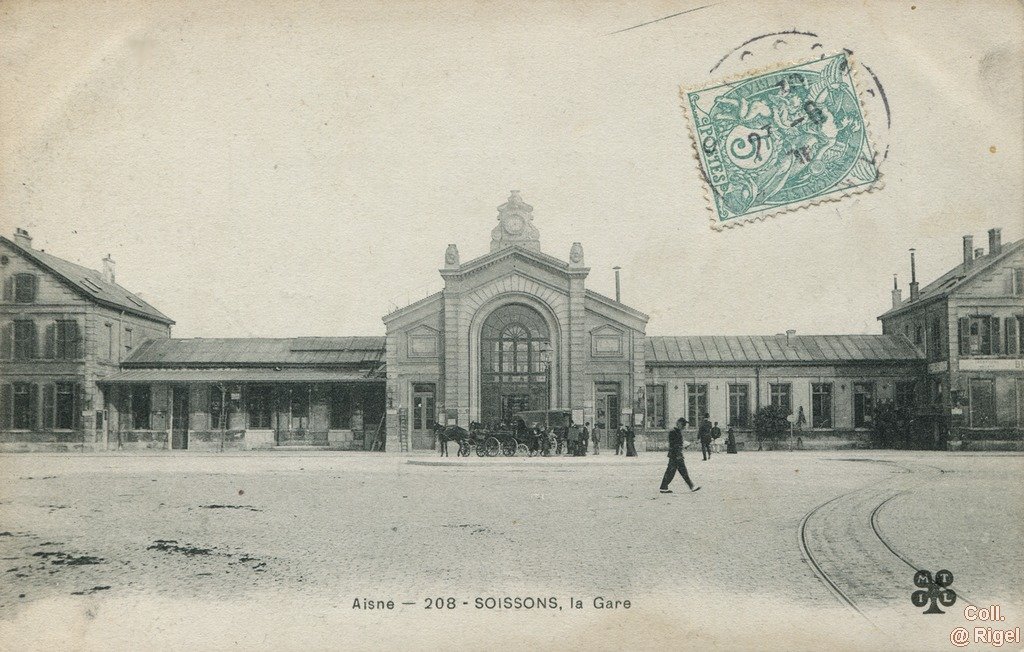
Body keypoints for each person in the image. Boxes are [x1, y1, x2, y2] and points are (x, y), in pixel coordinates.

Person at [660, 417, 700, 494]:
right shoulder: (673, 432)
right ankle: (691, 486)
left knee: (672, 472)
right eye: (683, 424)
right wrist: (681, 446)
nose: (684, 426)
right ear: (678, 423)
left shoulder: (677, 432)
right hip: (676, 455)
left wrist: (684, 445)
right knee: (678, 471)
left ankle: (663, 487)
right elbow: (674, 444)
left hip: (676, 455)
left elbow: (678, 443)